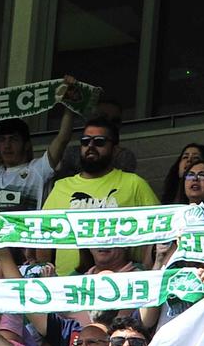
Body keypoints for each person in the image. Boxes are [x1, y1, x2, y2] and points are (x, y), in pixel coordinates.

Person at [40, 116, 158, 274]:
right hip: (69, 286)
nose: (91, 145)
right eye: (85, 141)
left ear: (115, 149)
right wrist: (45, 270)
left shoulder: (134, 183)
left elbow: (158, 231)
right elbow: (42, 235)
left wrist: (146, 268)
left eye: (100, 141)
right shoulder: (61, 186)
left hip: (124, 281)